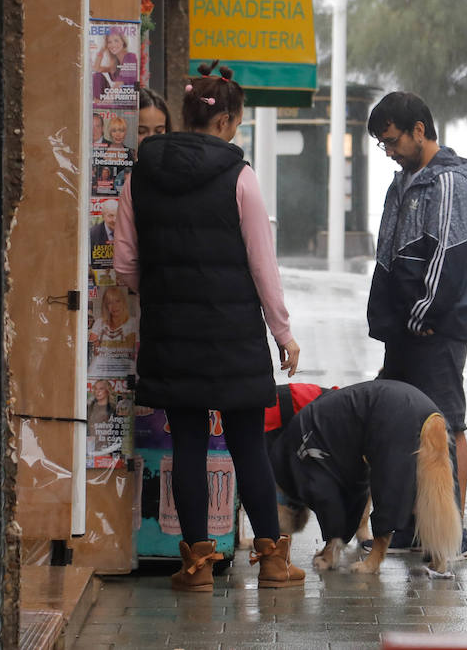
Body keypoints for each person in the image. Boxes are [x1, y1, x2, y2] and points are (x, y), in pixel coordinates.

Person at [114, 60, 305, 591]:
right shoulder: (240, 178)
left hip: (171, 337)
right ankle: (270, 561)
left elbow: (126, 264)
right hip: (234, 337)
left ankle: (195, 568)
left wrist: (162, 293)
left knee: (188, 449)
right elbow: (263, 265)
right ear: (225, 122)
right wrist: (283, 333)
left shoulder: (139, 175)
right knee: (248, 447)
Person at [365, 91, 467, 553]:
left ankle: (452, 536)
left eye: (392, 141)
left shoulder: (451, 184)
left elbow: (447, 261)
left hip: (436, 330)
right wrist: (389, 318)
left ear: (419, 130)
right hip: (404, 330)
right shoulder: (402, 183)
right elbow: (388, 255)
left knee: (447, 426)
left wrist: (422, 315)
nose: (389, 152)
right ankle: (415, 523)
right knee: (399, 423)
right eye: (381, 145)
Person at [92, 30, 137, 103]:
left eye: (116, 41)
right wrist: (102, 49)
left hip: (127, 99)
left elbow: (119, 84)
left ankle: (100, 107)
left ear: (123, 41)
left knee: (114, 90)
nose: (113, 45)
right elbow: (96, 69)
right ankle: (98, 106)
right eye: (109, 42)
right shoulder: (115, 62)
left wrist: (104, 103)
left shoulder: (130, 57)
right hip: (115, 97)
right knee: (97, 76)